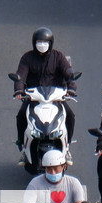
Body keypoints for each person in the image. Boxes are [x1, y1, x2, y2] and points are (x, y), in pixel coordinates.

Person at [13, 27, 79, 157]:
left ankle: (67, 144)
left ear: (51, 43)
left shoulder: (58, 57)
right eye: (39, 42)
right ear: (34, 42)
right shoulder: (27, 58)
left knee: (70, 115)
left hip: (56, 98)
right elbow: (20, 75)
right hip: (33, 98)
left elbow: (68, 72)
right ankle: (22, 143)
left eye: (45, 42)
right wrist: (19, 90)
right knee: (21, 115)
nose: (42, 45)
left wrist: (71, 88)